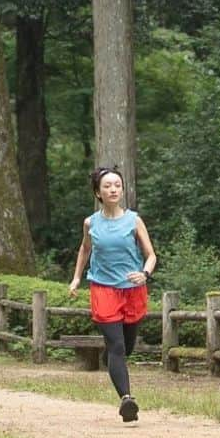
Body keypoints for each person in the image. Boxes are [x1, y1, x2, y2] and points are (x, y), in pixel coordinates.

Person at [68, 166, 156, 423]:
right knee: (117, 345)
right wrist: (76, 278)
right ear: (98, 192)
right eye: (107, 186)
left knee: (125, 346)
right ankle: (127, 400)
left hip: (132, 290)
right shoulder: (91, 223)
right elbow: (84, 250)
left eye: (117, 185)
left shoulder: (134, 220)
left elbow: (151, 255)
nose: (113, 189)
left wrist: (145, 274)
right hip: (103, 289)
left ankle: (110, 359)